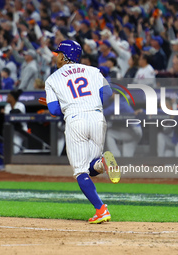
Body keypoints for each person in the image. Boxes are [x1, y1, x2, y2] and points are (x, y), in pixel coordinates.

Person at [45, 40, 118, 224]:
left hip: (76, 120)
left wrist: (63, 104)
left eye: (58, 54)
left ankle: (101, 210)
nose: (56, 57)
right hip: (97, 117)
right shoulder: (93, 70)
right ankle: (103, 162)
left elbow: (54, 111)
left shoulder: (52, 79)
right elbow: (108, 93)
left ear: (64, 56)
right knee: (92, 168)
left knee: (80, 172)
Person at [2, 89, 28, 154]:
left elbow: (15, 112)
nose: (7, 98)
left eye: (8, 96)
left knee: (16, 147)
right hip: (12, 131)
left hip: (21, 130)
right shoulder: (7, 106)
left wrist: (5, 112)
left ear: (12, 98)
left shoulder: (20, 105)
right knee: (10, 148)